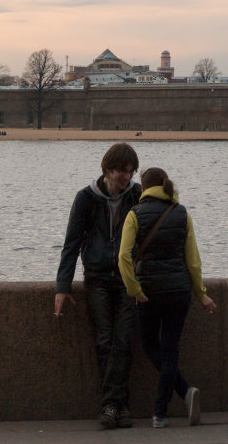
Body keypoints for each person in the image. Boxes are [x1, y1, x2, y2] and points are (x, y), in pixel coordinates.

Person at [119, 166, 217, 429]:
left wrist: (135, 290)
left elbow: (123, 257)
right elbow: (193, 261)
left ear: (143, 187)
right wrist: (202, 295)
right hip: (179, 291)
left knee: (151, 344)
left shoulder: (134, 214)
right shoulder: (181, 213)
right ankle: (160, 413)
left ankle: (184, 392)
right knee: (171, 348)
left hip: (149, 292)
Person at [55, 142, 143, 430]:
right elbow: (71, 244)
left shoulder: (138, 195)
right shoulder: (85, 199)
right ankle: (117, 406)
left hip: (128, 279)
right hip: (97, 278)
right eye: (122, 171)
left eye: (131, 172)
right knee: (104, 342)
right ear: (107, 169)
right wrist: (62, 286)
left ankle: (113, 406)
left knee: (124, 341)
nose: (126, 178)